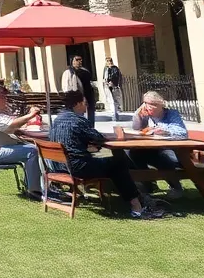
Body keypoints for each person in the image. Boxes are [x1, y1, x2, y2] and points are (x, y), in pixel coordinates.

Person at [49, 90, 162, 219]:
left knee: (112, 163)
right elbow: (98, 138)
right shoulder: (78, 120)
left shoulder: (57, 120)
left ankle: (132, 196)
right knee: (118, 163)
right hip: (78, 168)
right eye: (85, 103)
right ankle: (137, 206)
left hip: (59, 167)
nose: (86, 107)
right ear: (77, 104)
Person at [0, 84, 44, 199]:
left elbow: (10, 125)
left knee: (31, 147)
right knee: (32, 151)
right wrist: (31, 115)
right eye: (3, 96)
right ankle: (34, 190)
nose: (6, 99)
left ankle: (34, 184)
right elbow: (11, 126)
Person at [128, 91, 188, 200]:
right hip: (151, 148)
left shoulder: (171, 114)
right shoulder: (145, 116)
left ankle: (176, 187)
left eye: (152, 104)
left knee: (160, 156)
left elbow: (182, 132)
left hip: (172, 150)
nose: (148, 107)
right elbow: (136, 129)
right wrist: (138, 116)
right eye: (146, 103)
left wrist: (164, 130)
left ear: (160, 105)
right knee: (132, 153)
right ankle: (147, 185)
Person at [61, 54, 97, 126]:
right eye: (77, 60)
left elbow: (90, 83)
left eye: (80, 60)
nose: (79, 61)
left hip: (88, 95)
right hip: (76, 97)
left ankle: (90, 128)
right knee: (78, 115)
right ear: (72, 61)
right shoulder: (69, 73)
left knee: (90, 115)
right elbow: (66, 86)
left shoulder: (85, 71)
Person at [103, 57, 124, 122]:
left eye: (110, 61)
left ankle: (115, 115)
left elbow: (117, 76)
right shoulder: (105, 68)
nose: (109, 62)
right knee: (110, 101)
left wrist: (113, 82)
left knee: (115, 101)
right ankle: (114, 115)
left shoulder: (115, 68)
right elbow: (104, 77)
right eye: (107, 61)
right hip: (107, 86)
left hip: (114, 86)